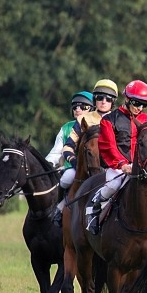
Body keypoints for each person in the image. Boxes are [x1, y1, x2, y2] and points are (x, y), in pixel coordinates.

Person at [86, 80, 147, 234]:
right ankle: (93, 211)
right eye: (137, 103)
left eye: (144, 104)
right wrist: (123, 164)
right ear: (127, 99)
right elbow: (108, 146)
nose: (140, 108)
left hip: (141, 168)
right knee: (113, 185)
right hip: (117, 167)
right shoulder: (109, 120)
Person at [46, 91, 94, 225]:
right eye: (75, 107)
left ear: (92, 109)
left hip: (95, 169)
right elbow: (56, 152)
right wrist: (48, 163)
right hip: (72, 169)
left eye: (83, 106)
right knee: (66, 179)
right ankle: (59, 208)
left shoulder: (97, 125)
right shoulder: (66, 128)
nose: (78, 109)